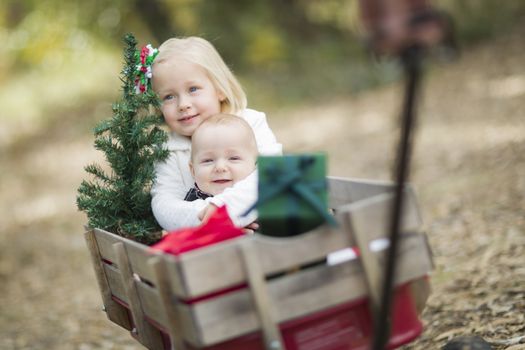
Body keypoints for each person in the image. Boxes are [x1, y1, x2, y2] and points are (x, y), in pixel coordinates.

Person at [149, 36, 282, 231]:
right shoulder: (168, 149)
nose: (183, 104)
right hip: (211, 247)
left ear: (219, 89)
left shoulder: (250, 123)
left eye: (193, 89)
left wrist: (225, 210)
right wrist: (212, 220)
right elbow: (165, 205)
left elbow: (271, 175)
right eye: (169, 96)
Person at [184, 113, 258, 203]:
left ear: (255, 165)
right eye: (208, 160)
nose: (220, 167)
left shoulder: (261, 196)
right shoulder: (190, 206)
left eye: (233, 158)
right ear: (193, 170)